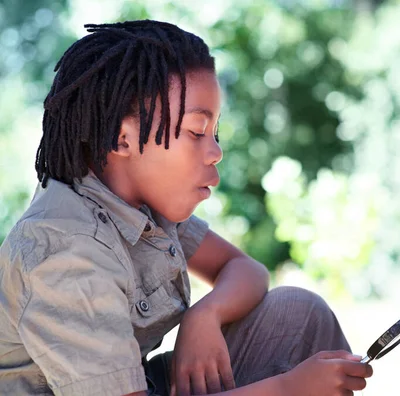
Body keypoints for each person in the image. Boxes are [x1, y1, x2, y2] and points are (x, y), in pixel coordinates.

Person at [0, 20, 372, 396]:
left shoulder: (140, 207)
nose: (216, 152)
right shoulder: (64, 252)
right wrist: (286, 389)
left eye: (215, 133)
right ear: (121, 138)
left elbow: (246, 269)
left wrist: (204, 316)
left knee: (298, 313)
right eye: (196, 132)